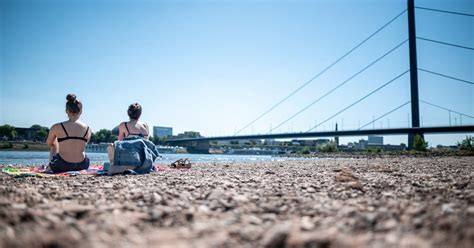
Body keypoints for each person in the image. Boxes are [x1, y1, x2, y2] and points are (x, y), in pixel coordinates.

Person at [105, 103, 159, 175]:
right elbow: (147, 143)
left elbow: (119, 143)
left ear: (128, 113)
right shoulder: (145, 125)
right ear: (140, 114)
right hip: (144, 161)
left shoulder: (123, 125)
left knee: (107, 161)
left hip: (130, 159)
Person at [46, 94, 91, 173]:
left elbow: (49, 143)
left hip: (62, 165)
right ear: (81, 112)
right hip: (82, 165)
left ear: (66, 111)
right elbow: (85, 144)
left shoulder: (56, 127)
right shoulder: (88, 129)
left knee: (54, 142)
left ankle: (50, 167)